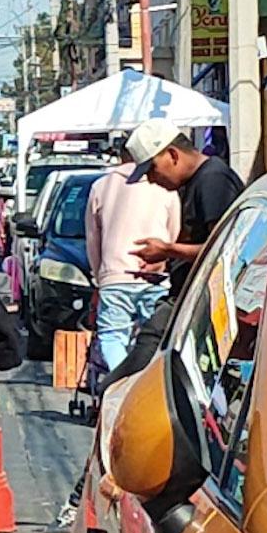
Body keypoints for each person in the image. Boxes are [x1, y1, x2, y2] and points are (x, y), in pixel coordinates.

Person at [83, 137, 181, 384]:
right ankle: (145, 383)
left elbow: (93, 238)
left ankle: (122, 382)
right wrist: (165, 259)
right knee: (155, 337)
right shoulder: (165, 185)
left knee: (113, 335)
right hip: (155, 275)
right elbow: (174, 229)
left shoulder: (101, 186)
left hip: (115, 275)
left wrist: (99, 276)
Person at [127, 121, 246, 279]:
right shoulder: (192, 183)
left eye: (152, 169)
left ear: (173, 155)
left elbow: (225, 248)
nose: (150, 179)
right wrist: (164, 263)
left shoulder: (213, 180)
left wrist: (169, 250)